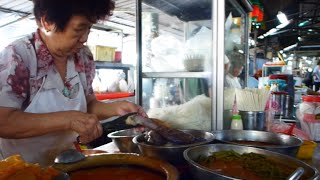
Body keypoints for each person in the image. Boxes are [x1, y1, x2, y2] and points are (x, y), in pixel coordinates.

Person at [0, 0, 146, 166]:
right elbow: (4, 121)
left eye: (89, 28)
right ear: (47, 21)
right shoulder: (18, 57)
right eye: (79, 29)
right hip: (23, 168)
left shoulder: (83, 57)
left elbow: (88, 105)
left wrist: (116, 108)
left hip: (68, 162)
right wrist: (67, 120)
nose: (84, 38)